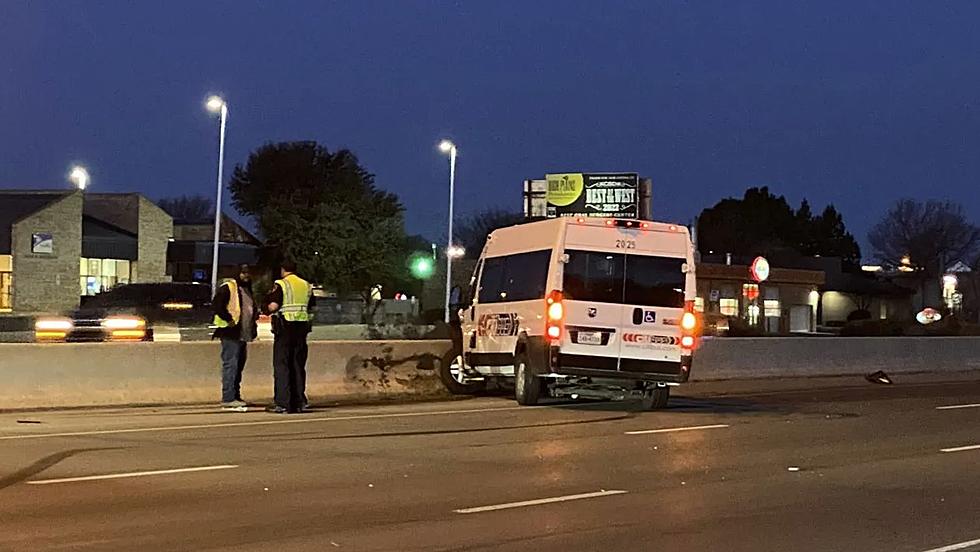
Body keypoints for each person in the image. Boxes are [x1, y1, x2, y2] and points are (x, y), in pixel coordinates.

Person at [264, 260, 314, 414]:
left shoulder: (281, 284)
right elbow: (311, 306)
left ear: (283, 269)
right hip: (301, 328)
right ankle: (299, 402)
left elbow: (273, 306)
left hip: (285, 328)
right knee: (298, 365)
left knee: (282, 365)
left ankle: (283, 403)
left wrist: (264, 307)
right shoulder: (306, 285)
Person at [213, 264, 259, 411]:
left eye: (248, 273)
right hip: (230, 332)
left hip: (242, 334)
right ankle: (228, 397)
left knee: (238, 366)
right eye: (243, 273)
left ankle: (235, 396)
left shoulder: (246, 289)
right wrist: (229, 319)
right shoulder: (229, 287)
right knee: (231, 365)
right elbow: (217, 305)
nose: (246, 276)